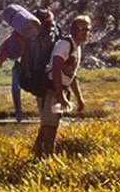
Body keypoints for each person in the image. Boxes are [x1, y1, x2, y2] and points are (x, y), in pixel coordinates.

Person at [34, 14, 90, 157]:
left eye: (87, 29)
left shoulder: (76, 47)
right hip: (50, 91)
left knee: (48, 127)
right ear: (73, 30)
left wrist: (79, 98)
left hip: (57, 91)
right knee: (50, 129)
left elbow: (71, 76)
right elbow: (57, 70)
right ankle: (46, 161)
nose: (85, 32)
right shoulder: (65, 44)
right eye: (81, 28)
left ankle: (38, 158)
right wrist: (60, 96)